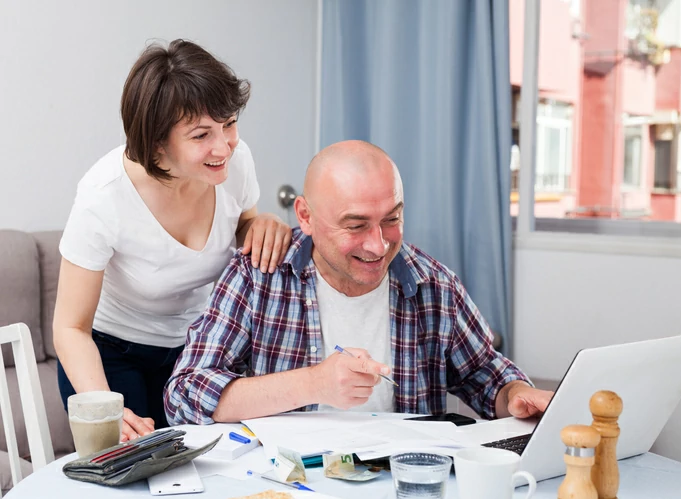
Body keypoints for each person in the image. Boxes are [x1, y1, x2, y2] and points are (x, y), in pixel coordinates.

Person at [164, 140, 552, 425]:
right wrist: (314, 384)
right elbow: (184, 394)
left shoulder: (435, 286)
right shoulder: (259, 275)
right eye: (356, 225)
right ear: (306, 216)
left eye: (391, 218)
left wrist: (517, 395)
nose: (379, 245)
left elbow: (486, 374)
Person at [53, 39, 292, 441]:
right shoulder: (104, 196)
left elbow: (242, 225)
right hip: (111, 354)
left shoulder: (235, 161)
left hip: (198, 349)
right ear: (157, 142)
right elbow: (70, 327)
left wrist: (261, 226)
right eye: (201, 135)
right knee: (135, 472)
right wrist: (103, 404)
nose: (224, 145)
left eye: (229, 123)